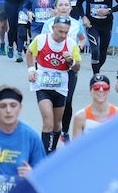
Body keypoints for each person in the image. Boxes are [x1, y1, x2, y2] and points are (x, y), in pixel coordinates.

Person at [27, 16, 81, 153]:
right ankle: (43, 155)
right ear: (53, 28)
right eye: (60, 31)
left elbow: (77, 68)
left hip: (60, 87)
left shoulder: (71, 44)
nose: (63, 35)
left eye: (66, 32)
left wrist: (71, 61)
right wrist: (31, 70)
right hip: (42, 86)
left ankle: (52, 150)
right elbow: (29, 52)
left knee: (57, 125)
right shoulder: (41, 39)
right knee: (48, 122)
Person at [40, 0, 88, 141]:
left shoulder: (76, 24)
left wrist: (79, 47)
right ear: (55, 8)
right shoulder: (49, 24)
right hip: (51, 68)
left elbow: (82, 38)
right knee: (53, 100)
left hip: (70, 67)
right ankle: (52, 128)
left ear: (70, 8)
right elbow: (41, 42)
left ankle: (64, 131)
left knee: (67, 101)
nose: (63, 7)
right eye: (60, 5)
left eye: (66, 5)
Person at [71, 74, 118, 139]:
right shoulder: (80, 117)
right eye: (96, 87)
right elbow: (76, 147)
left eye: (105, 87)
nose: (101, 90)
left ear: (109, 90)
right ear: (90, 90)